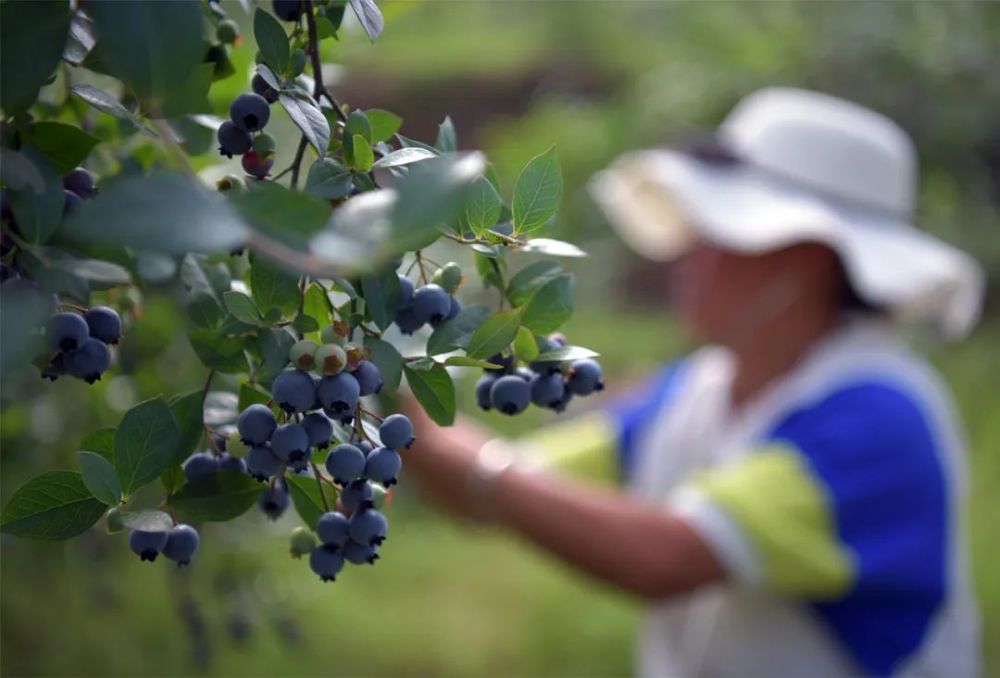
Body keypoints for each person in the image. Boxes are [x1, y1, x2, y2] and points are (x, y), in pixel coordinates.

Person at [402, 88, 983, 677]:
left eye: (718, 233)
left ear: (802, 264)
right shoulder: (697, 391)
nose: (688, 253)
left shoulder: (881, 419)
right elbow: (514, 488)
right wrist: (392, 407)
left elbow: (664, 556)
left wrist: (457, 455)